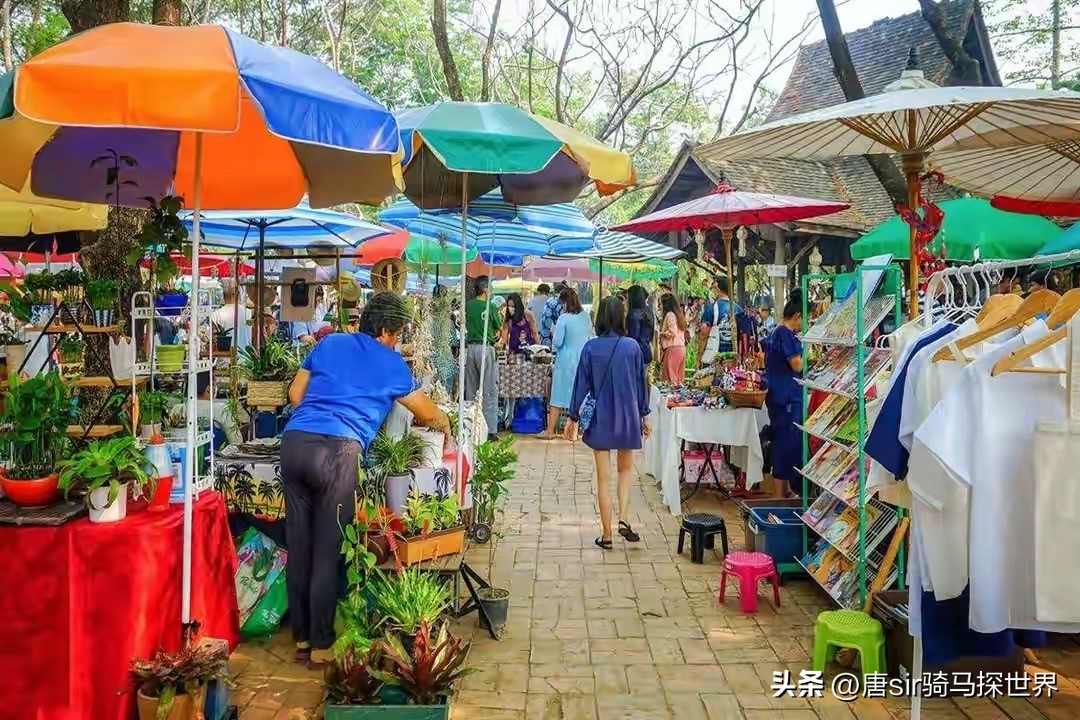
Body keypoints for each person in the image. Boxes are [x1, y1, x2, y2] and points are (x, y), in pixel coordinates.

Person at [281, 291, 449, 668]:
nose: (396, 339)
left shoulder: (330, 342)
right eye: (397, 332)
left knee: (300, 543)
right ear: (387, 329)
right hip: (338, 452)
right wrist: (444, 421)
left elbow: (295, 395)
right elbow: (427, 413)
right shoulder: (392, 364)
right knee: (328, 548)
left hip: (294, 443)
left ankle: (303, 639)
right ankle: (323, 645)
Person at [565, 296, 650, 550]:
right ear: (621, 317)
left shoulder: (591, 348)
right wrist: (644, 415)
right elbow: (640, 384)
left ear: (600, 317)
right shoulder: (632, 347)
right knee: (625, 470)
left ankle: (606, 535)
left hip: (601, 417)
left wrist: (572, 416)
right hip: (627, 417)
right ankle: (623, 518)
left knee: (604, 478)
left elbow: (580, 384)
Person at [763, 293, 804, 499]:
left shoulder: (776, 331)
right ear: (797, 315)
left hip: (779, 395)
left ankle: (786, 488)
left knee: (785, 440)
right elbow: (797, 364)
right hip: (786, 397)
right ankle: (779, 494)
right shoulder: (786, 334)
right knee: (784, 442)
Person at [540, 287, 592, 439]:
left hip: (565, 361)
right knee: (579, 396)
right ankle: (575, 432)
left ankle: (550, 431)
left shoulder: (563, 318)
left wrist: (553, 331)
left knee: (557, 397)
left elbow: (557, 341)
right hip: (582, 360)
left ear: (564, 303)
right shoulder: (585, 317)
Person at [464, 276, 502, 438]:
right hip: (486, 348)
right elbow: (498, 327)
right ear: (485, 289)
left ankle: (471, 427)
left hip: (470, 349)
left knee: (471, 389)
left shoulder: (468, 305)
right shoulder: (490, 306)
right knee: (488, 390)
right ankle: (490, 429)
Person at [168, 371, 250, 446]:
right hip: (213, 459)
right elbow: (237, 441)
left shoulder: (179, 409)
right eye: (214, 384)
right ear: (208, 389)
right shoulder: (220, 409)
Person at [697, 276, 741, 363]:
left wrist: (699, 357)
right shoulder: (739, 309)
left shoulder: (711, 308)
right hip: (735, 358)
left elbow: (703, 334)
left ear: (717, 288)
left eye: (712, 287)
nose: (712, 290)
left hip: (715, 358)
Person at [210, 279, 252, 352]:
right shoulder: (249, 312)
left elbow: (213, 339)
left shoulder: (215, 315)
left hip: (224, 357)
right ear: (237, 294)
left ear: (223, 295)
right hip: (246, 358)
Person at [658, 293, 687, 384]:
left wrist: (660, 334)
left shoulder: (670, 314)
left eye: (660, 304)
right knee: (678, 380)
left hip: (673, 349)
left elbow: (672, 332)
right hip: (680, 348)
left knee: (670, 380)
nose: (660, 306)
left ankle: (671, 398)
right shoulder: (678, 315)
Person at [625, 285, 654, 367]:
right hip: (646, 352)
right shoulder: (648, 311)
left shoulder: (633, 314)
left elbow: (633, 337)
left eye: (627, 297)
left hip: (635, 355)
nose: (626, 300)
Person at [539, 281, 567, 347]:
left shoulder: (549, 300)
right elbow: (563, 319)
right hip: (552, 336)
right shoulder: (559, 302)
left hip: (544, 333)